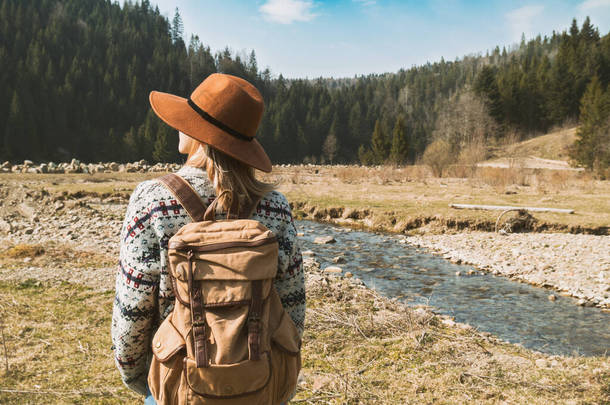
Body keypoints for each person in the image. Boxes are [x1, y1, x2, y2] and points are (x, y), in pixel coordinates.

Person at [111, 73, 305, 403]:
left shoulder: (151, 200)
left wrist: (143, 382)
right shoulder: (276, 208)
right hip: (259, 386)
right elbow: (292, 313)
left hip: (177, 386)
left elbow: (133, 312)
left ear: (200, 136)